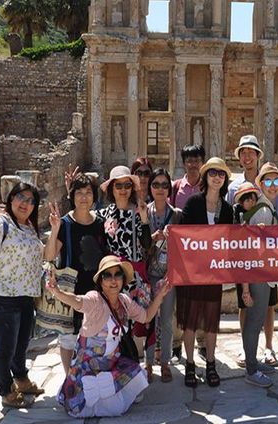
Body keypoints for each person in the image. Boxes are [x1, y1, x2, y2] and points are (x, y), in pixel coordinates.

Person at [50, 255, 171, 418]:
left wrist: (161, 295)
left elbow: (147, 316)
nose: (113, 280)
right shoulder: (95, 299)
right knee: (113, 408)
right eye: (107, 276)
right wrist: (57, 292)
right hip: (89, 366)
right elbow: (78, 301)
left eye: (117, 275)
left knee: (139, 376)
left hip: (112, 362)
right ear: (100, 280)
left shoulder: (124, 301)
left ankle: (107, 391)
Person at [0, 183, 45, 408]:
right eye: (21, 198)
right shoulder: (0, 223)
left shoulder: (29, 226)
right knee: (7, 345)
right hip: (1, 294)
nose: (26, 204)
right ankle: (6, 390)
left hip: (25, 292)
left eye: (31, 200)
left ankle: (21, 379)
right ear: (11, 199)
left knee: (22, 341)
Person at [178, 157, 234, 388]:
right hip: (193, 272)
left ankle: (210, 362)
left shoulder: (228, 209)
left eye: (221, 174)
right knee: (190, 320)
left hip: (214, 272)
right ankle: (190, 363)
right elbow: (182, 235)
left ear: (225, 179)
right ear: (206, 177)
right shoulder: (193, 203)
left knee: (211, 319)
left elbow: (232, 240)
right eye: (213, 173)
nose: (217, 177)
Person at [44, 175, 106, 376]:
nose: (84, 197)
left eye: (88, 192)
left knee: (95, 334)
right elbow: (50, 255)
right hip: (71, 288)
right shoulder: (64, 223)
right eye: (79, 192)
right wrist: (54, 231)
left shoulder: (100, 223)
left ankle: (90, 376)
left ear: (94, 196)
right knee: (69, 338)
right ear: (72, 196)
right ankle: (70, 378)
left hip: (95, 289)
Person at [236, 163, 278, 388]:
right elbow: (247, 249)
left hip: (264, 272)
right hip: (257, 273)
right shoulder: (263, 210)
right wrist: (245, 287)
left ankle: (253, 362)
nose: (273, 186)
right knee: (254, 321)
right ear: (261, 183)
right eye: (268, 181)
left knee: (256, 320)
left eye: (276, 181)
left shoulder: (268, 207)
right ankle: (251, 369)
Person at [98, 166, 153, 356]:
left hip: (134, 278)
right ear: (112, 189)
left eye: (127, 185)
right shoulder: (104, 214)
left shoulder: (138, 211)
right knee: (115, 323)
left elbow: (146, 244)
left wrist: (145, 219)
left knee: (136, 325)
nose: (123, 189)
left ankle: (135, 364)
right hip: (113, 277)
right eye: (118, 185)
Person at [143, 168, 182, 383]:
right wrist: (153, 237)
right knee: (149, 320)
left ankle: (165, 361)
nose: (160, 189)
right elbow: (139, 244)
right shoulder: (143, 213)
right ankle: (148, 362)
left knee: (167, 319)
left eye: (164, 185)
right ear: (150, 187)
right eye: (156, 184)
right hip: (148, 275)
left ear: (169, 189)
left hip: (168, 275)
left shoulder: (176, 214)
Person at [170, 144, 206, 362]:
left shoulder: (208, 187)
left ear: (202, 162)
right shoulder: (175, 188)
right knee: (178, 302)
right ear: (183, 163)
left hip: (203, 254)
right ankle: (176, 345)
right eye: (189, 160)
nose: (193, 164)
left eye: (196, 160)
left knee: (202, 302)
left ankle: (202, 343)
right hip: (181, 255)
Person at [226, 134, 263, 205]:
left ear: (257, 155)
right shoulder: (233, 188)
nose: (247, 157)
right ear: (239, 157)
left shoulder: (268, 185)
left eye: (251, 152)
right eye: (243, 153)